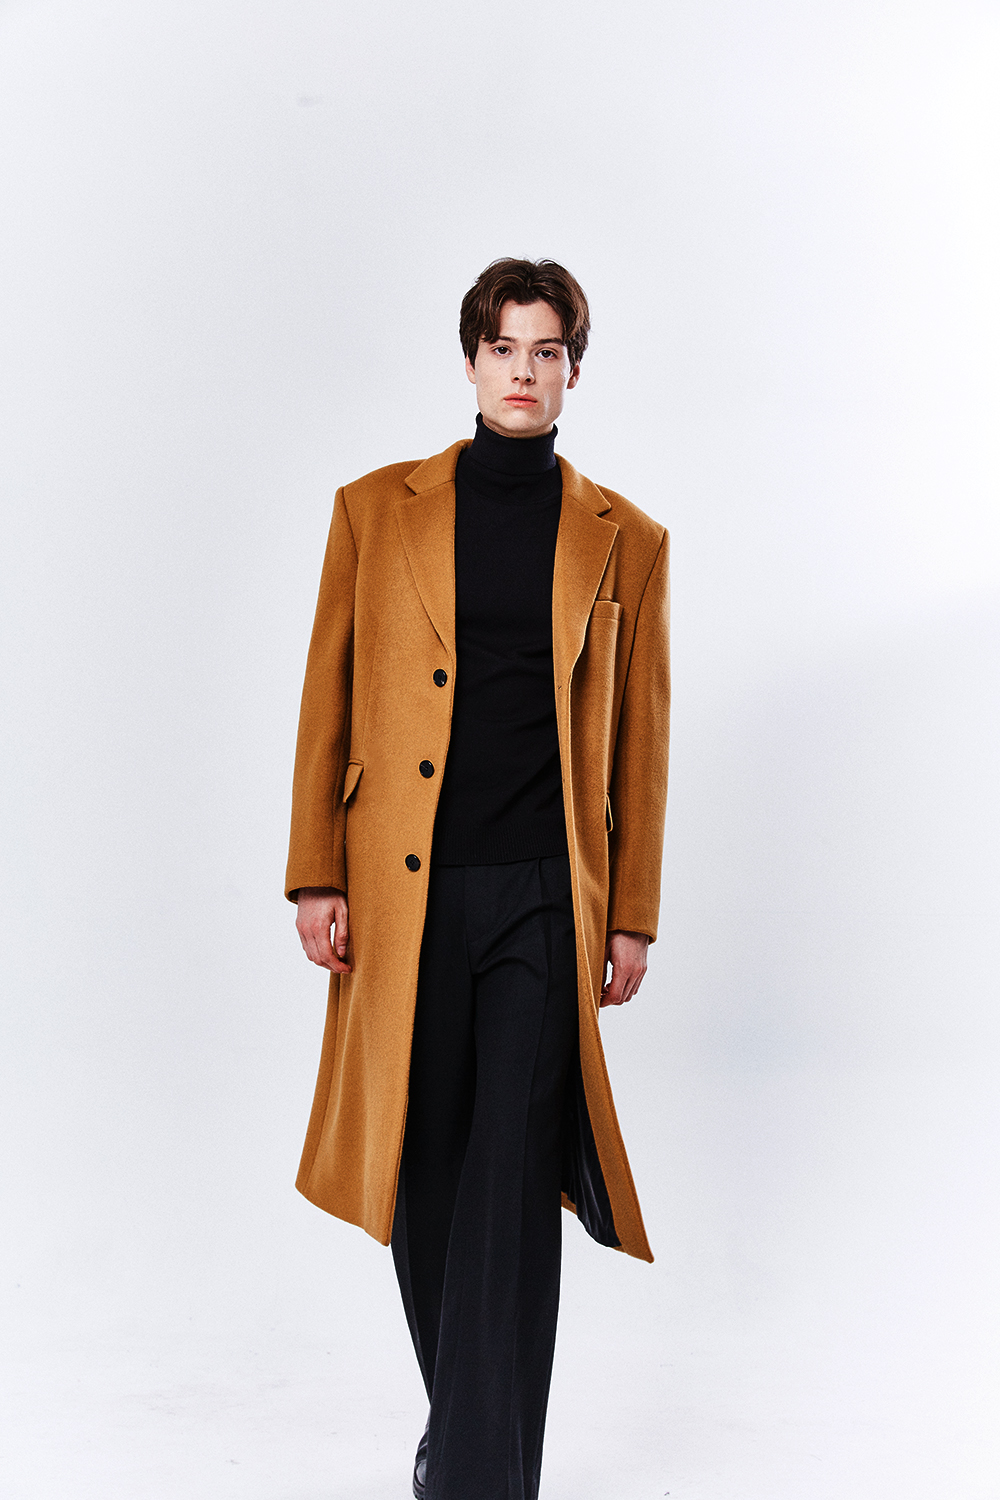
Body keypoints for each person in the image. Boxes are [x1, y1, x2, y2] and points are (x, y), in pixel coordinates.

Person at [286, 257, 670, 1500]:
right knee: (429, 1173)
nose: (522, 370)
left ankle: (474, 1479)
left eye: (546, 351)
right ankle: (462, 1434)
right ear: (470, 363)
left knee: (512, 1175)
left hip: (545, 900)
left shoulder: (627, 541)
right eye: (503, 348)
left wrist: (630, 912)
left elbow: (643, 743)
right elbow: (327, 696)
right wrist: (314, 875)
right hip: (406, 897)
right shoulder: (373, 511)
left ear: (571, 373)